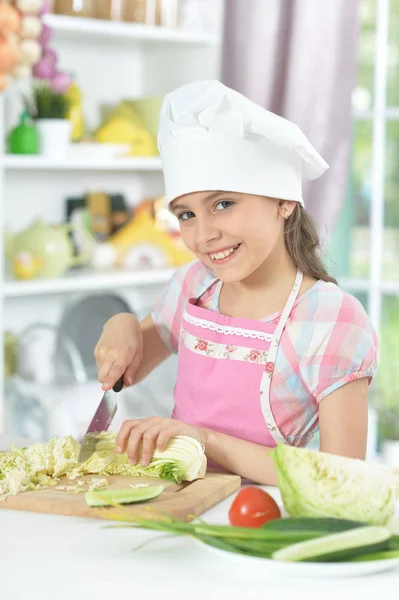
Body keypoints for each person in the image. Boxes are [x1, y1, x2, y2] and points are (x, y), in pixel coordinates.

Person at [94, 80, 379, 485]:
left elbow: (341, 480)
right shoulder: (195, 285)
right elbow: (131, 363)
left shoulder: (331, 319)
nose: (203, 234)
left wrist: (206, 441)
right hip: (178, 505)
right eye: (186, 214)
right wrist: (121, 323)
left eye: (223, 204)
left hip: (263, 523)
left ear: (284, 201)